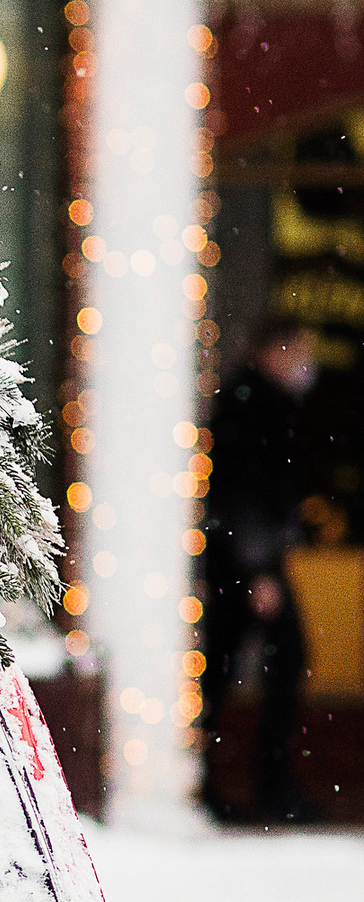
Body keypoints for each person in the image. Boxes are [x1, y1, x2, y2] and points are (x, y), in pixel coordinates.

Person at [203, 322, 320, 825]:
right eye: (301, 351)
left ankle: (230, 780)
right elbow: (244, 492)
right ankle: (258, 783)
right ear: (275, 350)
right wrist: (258, 570)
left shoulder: (256, 402)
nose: (307, 364)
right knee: (255, 661)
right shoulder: (253, 406)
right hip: (245, 563)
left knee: (226, 665)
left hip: (243, 560)